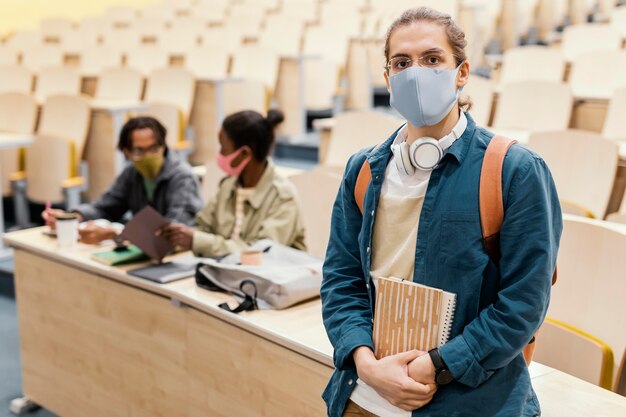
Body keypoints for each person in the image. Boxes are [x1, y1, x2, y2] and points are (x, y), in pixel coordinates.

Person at [320, 7, 562, 417]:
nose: (415, 73)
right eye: (402, 63)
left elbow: (523, 303)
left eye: (432, 60)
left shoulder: (515, 171)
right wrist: (365, 363)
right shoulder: (362, 170)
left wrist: (437, 364)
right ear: (388, 79)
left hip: (471, 399)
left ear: (461, 72)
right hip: (365, 394)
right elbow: (341, 280)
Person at [158, 109, 306, 257]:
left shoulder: (283, 197)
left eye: (223, 148)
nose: (220, 155)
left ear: (244, 153)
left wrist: (198, 241)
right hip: (222, 273)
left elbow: (260, 254)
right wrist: (180, 235)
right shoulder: (228, 185)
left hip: (267, 276)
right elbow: (203, 227)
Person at [42, 116, 203, 244]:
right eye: (139, 151)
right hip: (142, 250)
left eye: (153, 148)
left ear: (164, 146)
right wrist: (73, 217)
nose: (147, 156)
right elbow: (106, 207)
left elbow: (172, 232)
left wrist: (117, 235)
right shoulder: (132, 173)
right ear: (127, 151)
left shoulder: (182, 177)